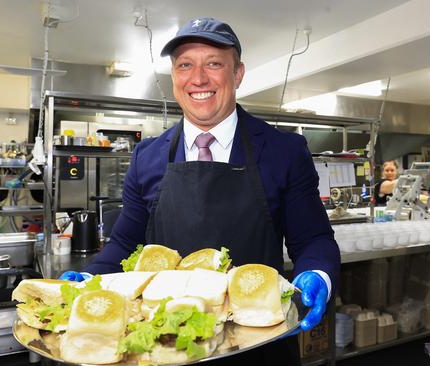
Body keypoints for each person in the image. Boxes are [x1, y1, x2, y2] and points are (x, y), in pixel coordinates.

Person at [61, 17, 340, 365]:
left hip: (256, 340)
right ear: (175, 77)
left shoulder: (283, 150)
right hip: (165, 344)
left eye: (213, 64)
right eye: (185, 65)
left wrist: (319, 274)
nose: (198, 78)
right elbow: (124, 243)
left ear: (237, 74)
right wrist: (89, 277)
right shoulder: (147, 156)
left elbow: (312, 238)